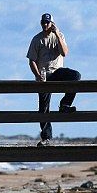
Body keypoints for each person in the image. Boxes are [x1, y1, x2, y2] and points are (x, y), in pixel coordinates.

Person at [26, 13, 81, 145]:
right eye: (43, 23)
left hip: (57, 72)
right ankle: (46, 138)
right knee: (44, 107)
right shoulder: (37, 39)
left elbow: (64, 53)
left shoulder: (59, 36)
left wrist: (57, 34)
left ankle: (65, 104)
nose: (45, 25)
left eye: (47, 23)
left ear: (52, 23)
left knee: (75, 76)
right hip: (44, 75)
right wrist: (38, 75)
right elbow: (31, 60)